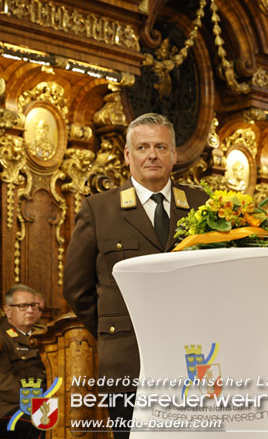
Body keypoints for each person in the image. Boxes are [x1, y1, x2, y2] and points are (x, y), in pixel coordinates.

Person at [63, 113, 208, 438]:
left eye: (160, 146)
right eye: (142, 147)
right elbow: (77, 288)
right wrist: (116, 330)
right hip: (129, 362)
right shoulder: (99, 209)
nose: (152, 155)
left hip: (194, 360)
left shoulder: (202, 205)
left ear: (174, 154)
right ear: (128, 155)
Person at [0, 285, 47, 438]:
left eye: (33, 305)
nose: (30, 310)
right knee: (44, 425)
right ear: (8, 310)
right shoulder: (2, 337)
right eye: (22, 306)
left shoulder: (46, 335)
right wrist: (38, 400)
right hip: (10, 406)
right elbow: (4, 382)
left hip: (43, 402)